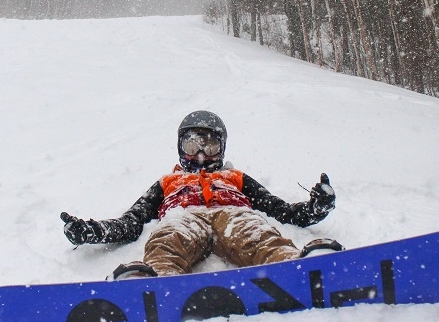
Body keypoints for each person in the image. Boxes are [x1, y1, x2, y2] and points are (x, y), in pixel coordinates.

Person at [60, 110, 340, 279]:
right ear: (181, 148)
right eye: (193, 145)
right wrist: (95, 232)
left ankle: (296, 267)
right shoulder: (168, 181)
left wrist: (316, 207)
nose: (202, 154)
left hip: (233, 214)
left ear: (222, 147)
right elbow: (131, 222)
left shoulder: (236, 178)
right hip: (184, 216)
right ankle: (155, 281)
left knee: (256, 232)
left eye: (210, 145)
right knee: (167, 238)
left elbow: (284, 212)